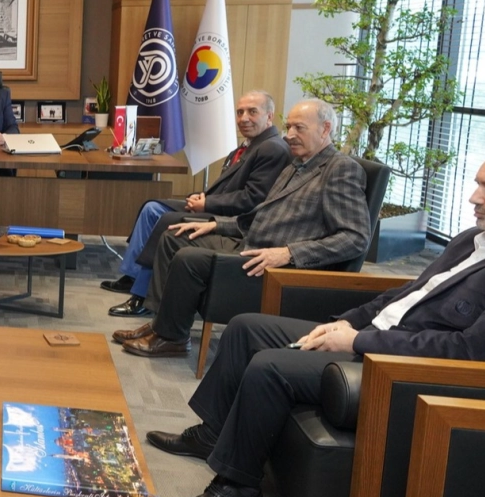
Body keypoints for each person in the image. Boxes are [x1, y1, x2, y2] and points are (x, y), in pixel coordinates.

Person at [148, 146, 485, 497]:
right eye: (478, 184)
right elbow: (403, 296)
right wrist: (344, 324)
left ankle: (237, 490)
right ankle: (213, 434)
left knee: (272, 366)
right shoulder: (475, 239)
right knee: (249, 327)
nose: (474, 197)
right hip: (376, 340)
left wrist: (357, 343)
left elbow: (472, 355)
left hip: (408, 376)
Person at [118, 99, 371, 358]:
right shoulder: (297, 164)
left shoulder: (340, 168)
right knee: (175, 235)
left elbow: (355, 238)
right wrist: (215, 224)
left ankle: (172, 338)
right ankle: (161, 326)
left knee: (188, 259)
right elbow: (259, 216)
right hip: (251, 244)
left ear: (325, 129)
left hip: (278, 269)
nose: (289, 135)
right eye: (289, 127)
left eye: (299, 128)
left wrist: (289, 253)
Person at [106, 91, 290, 317]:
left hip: (232, 218)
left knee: (167, 220)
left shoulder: (272, 148)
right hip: (215, 205)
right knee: (151, 208)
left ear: (269, 116)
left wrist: (207, 203)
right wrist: (201, 198)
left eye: (252, 112)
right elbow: (227, 187)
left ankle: (142, 296)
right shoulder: (249, 145)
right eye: (240, 112)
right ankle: (134, 276)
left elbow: (253, 199)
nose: (243, 118)